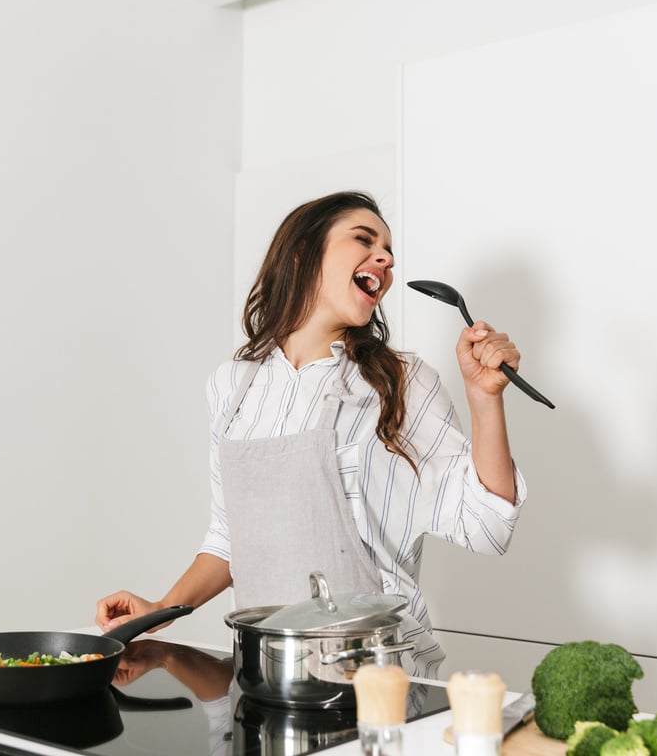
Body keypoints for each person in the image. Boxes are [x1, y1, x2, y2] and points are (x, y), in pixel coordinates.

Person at [95, 190, 527, 677]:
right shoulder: (233, 385)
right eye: (364, 239)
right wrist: (161, 608)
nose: (384, 260)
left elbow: (487, 525)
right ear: (302, 255)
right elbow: (230, 538)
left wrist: (484, 398)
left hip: (379, 679)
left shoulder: (402, 383)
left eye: (389, 252)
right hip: (265, 674)